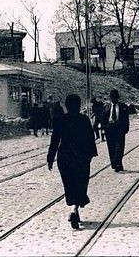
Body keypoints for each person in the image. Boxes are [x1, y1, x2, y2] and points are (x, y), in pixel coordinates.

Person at [47, 95, 98, 230]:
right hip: (81, 158)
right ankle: (75, 209)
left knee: (69, 185)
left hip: (65, 158)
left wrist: (50, 158)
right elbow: (90, 139)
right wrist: (90, 155)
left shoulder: (60, 120)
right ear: (79, 105)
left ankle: (74, 209)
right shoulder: (84, 119)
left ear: (67, 106)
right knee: (81, 183)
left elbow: (55, 140)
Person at [103, 89, 130, 172]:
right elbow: (103, 119)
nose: (113, 99)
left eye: (115, 97)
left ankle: (118, 163)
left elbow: (126, 119)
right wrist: (105, 129)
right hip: (109, 129)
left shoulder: (123, 106)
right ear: (110, 98)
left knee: (120, 148)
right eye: (112, 97)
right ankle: (116, 164)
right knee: (111, 148)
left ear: (118, 98)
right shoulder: (106, 107)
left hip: (119, 129)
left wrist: (125, 129)